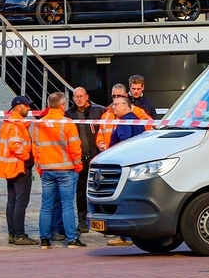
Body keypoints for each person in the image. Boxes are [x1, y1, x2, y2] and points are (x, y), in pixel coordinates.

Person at [32, 92, 85, 248]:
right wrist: (78, 166)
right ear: (63, 106)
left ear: (49, 105)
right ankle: (72, 239)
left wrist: (39, 167)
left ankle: (44, 240)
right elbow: (75, 147)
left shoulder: (38, 124)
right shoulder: (67, 123)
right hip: (66, 170)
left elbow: (36, 149)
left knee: (46, 205)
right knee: (67, 205)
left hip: (47, 170)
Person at [0, 95, 38, 246]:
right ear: (18, 107)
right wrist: (28, 158)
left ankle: (13, 234)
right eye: (27, 106)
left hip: (11, 168)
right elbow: (15, 145)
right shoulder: (15, 124)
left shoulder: (10, 123)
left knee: (12, 201)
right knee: (21, 202)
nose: (29, 108)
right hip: (19, 168)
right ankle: (19, 235)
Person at [65, 87, 105, 232]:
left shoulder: (99, 111)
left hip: (97, 158)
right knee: (80, 191)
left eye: (81, 96)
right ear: (73, 98)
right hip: (80, 158)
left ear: (87, 97)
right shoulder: (69, 114)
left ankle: (100, 220)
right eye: (76, 97)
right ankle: (82, 222)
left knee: (99, 189)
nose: (79, 99)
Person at [106, 96, 141, 247]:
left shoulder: (126, 122)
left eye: (116, 105)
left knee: (123, 199)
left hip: (125, 166)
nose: (113, 107)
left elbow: (125, 143)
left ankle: (124, 236)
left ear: (126, 106)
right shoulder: (135, 119)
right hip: (136, 165)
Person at [96, 83, 153, 151]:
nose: (115, 98)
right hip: (109, 153)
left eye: (119, 96)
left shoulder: (137, 112)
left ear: (126, 95)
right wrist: (100, 142)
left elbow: (150, 130)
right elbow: (100, 133)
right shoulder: (106, 115)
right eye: (114, 96)